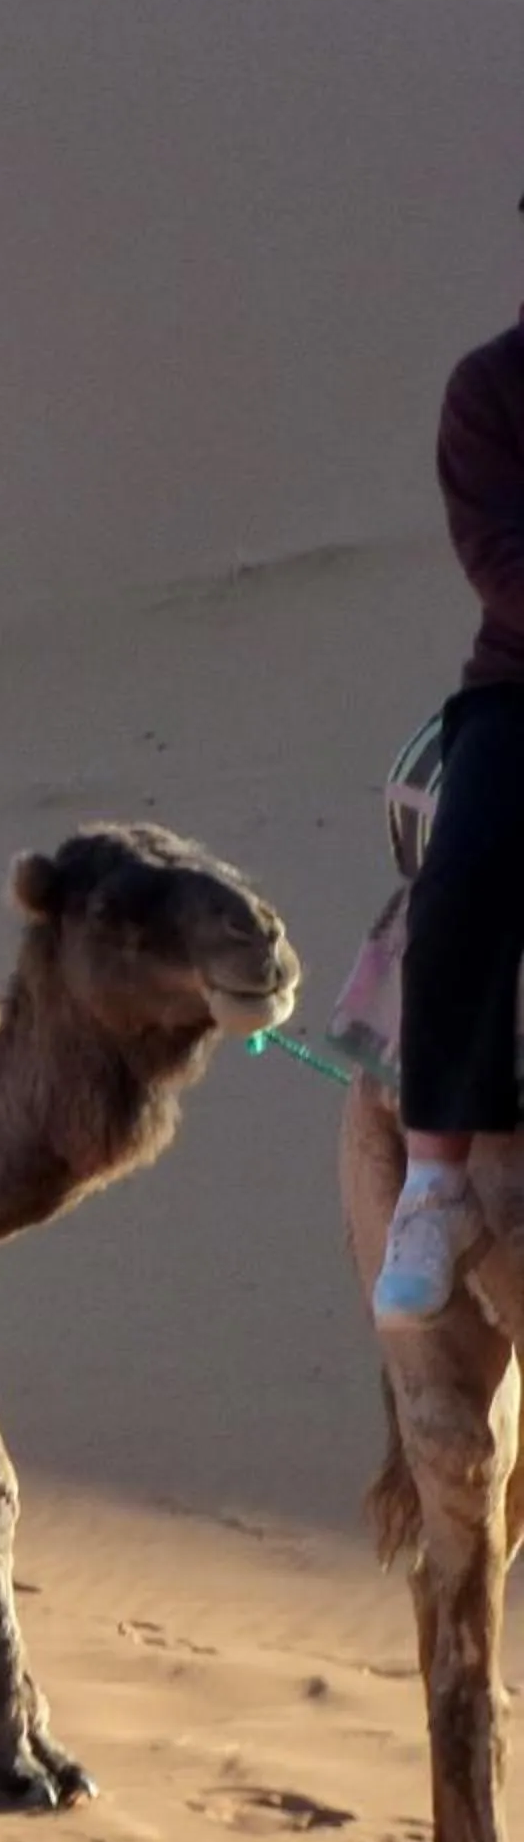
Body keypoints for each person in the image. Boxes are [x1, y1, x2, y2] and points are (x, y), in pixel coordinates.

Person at [378, 249, 524, 1325]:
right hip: (522, 687)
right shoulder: (489, 389)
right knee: (465, 879)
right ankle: (434, 1179)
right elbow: (499, 560)